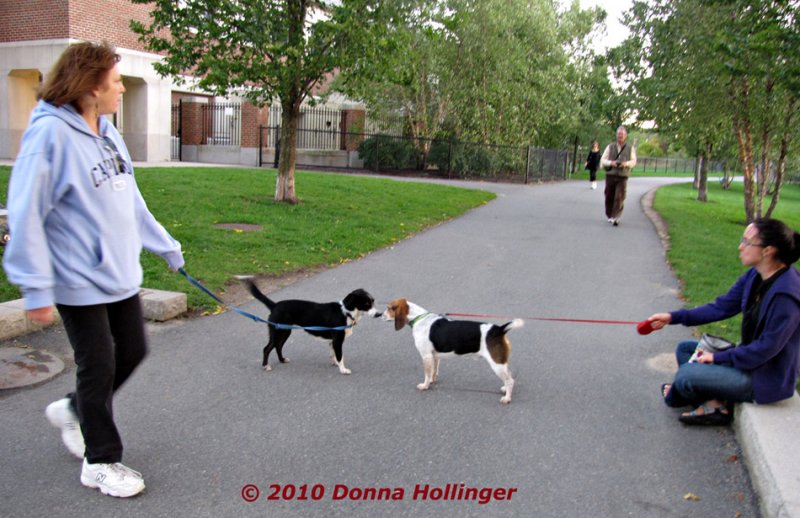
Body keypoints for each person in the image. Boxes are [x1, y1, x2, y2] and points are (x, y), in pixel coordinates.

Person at [2, 42, 184, 497]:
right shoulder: (49, 136)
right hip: (75, 277)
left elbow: (130, 198)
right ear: (90, 87)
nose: (122, 88)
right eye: (116, 81)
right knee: (98, 364)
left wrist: (165, 246)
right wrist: (36, 285)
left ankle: (73, 410)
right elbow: (25, 211)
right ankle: (100, 460)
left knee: (133, 351)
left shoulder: (107, 130)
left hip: (118, 273)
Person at [644, 219, 800, 425]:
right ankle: (714, 404)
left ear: (768, 251)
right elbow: (721, 307)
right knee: (685, 349)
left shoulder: (786, 295)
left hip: (764, 377)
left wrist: (718, 359)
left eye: (747, 242)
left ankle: (679, 394)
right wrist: (672, 317)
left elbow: (765, 350)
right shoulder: (755, 275)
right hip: (747, 360)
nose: (740, 246)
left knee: (686, 375)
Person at [600, 126, 637, 226]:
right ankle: (610, 215)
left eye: (622, 135)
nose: (620, 136)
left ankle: (616, 216)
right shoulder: (610, 147)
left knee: (620, 196)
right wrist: (611, 163)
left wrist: (625, 164)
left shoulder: (630, 148)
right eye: (618, 134)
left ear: (625, 136)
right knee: (609, 196)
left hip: (623, 175)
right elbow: (603, 160)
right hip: (611, 174)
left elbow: (634, 161)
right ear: (616, 135)